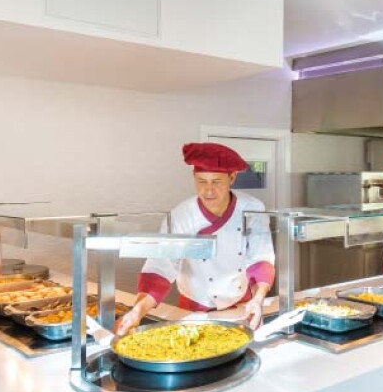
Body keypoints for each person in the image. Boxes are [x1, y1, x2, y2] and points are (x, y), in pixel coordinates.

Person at [115, 143, 275, 335]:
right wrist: (137, 311)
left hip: (242, 306)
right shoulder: (181, 216)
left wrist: (258, 299)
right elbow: (160, 268)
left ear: (232, 177)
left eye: (216, 182)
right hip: (194, 309)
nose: (208, 191)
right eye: (201, 181)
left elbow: (260, 259)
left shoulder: (252, 208)